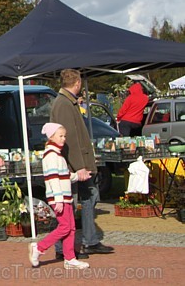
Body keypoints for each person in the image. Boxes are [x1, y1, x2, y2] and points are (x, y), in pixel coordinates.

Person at [50, 69, 114, 259]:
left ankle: (89, 240)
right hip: (73, 166)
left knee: (89, 198)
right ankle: (63, 249)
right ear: (77, 83)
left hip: (78, 163)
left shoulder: (67, 102)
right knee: (69, 205)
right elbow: (69, 140)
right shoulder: (64, 104)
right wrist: (80, 167)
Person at [29, 123, 88, 270]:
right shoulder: (51, 155)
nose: (63, 139)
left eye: (64, 136)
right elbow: (53, 178)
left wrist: (79, 176)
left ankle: (70, 258)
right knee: (65, 227)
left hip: (65, 197)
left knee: (71, 227)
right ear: (51, 137)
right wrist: (58, 199)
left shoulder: (57, 155)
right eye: (60, 136)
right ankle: (39, 248)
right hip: (59, 198)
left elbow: (65, 176)